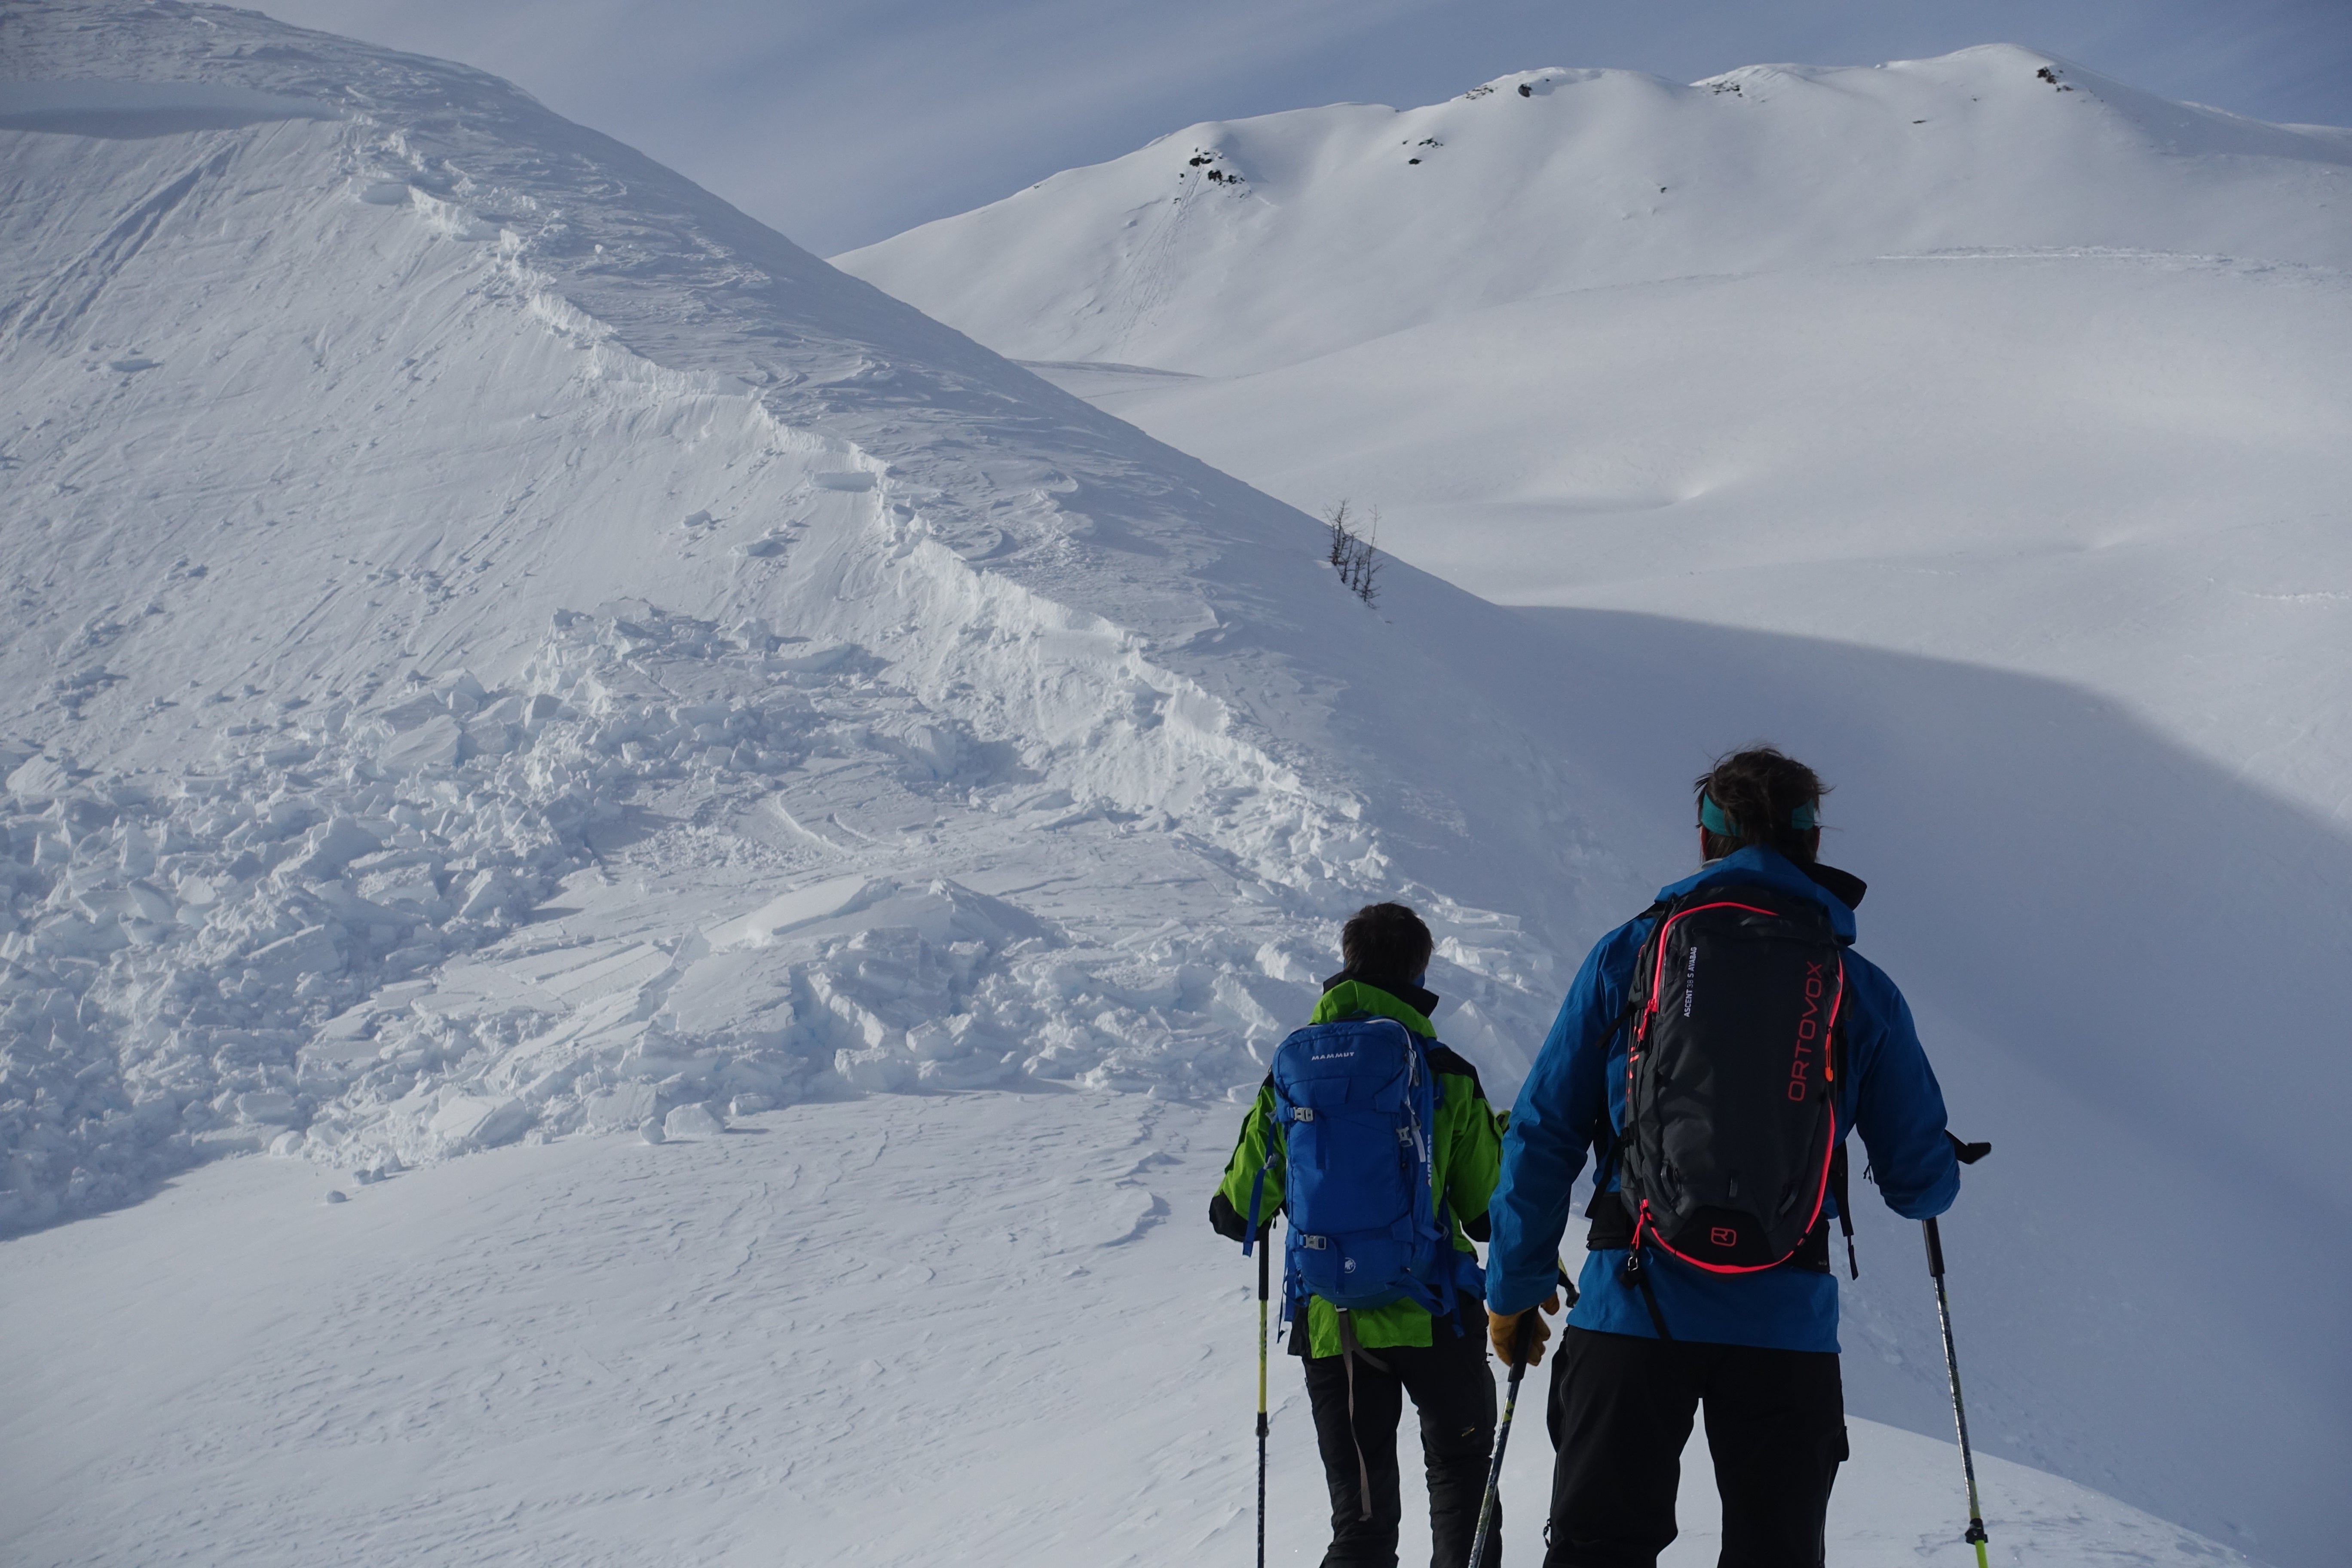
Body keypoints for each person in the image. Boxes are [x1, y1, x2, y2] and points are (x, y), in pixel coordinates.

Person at [1484, 747, 1963, 1568]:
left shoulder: (1630, 956)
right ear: (1813, 844)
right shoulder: (1858, 986)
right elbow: (1919, 1186)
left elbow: (1542, 1132)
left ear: (1707, 842)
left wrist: (1515, 1289)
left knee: (1599, 1551)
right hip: (1785, 1324)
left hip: (1632, 1304)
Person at [1210, 900, 1507, 1568]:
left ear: (1347, 964)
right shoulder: (1445, 1071)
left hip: (1332, 1323)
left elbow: (1236, 1213)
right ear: (1418, 971)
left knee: (1362, 1526)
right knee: (1462, 1486)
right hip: (1436, 1316)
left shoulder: (1293, 1072)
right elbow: (1487, 1214)